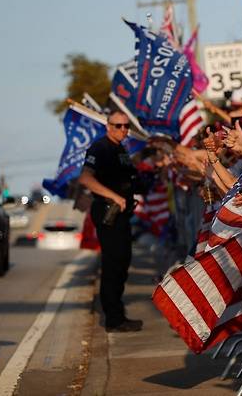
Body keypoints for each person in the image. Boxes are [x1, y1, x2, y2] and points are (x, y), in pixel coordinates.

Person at [79, 110, 143, 333]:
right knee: (113, 264)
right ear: (108, 126)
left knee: (123, 262)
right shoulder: (101, 147)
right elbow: (86, 178)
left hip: (122, 213)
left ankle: (118, 313)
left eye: (126, 126)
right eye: (118, 126)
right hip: (109, 211)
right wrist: (113, 196)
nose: (123, 130)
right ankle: (113, 319)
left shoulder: (121, 148)